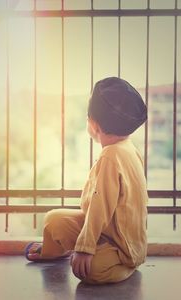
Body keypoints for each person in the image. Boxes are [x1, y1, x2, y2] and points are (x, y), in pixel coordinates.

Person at [25, 77, 148, 284]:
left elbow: (100, 207)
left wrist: (85, 248)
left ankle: (127, 266)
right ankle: (55, 252)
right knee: (54, 220)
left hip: (121, 244)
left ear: (94, 124)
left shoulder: (111, 156)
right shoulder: (126, 146)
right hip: (106, 230)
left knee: (90, 271)